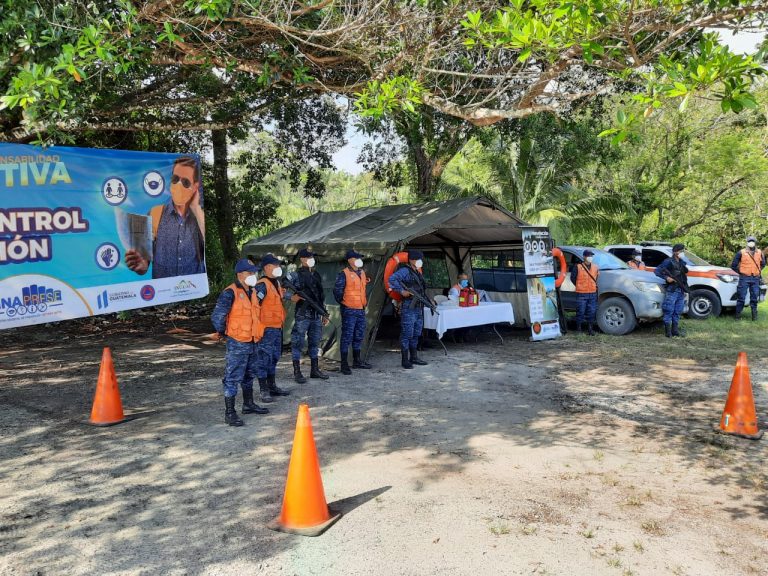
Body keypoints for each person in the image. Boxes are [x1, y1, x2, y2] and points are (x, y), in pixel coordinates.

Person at [210, 258, 269, 427]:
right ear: (240, 274)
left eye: (254, 272)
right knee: (232, 377)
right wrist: (223, 332)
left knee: (249, 374)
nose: (254, 275)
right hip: (238, 342)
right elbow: (217, 316)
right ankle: (230, 413)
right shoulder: (230, 292)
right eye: (250, 272)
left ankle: (248, 404)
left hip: (253, 341)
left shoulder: (253, 292)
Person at [125, 156, 206, 279]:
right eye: (175, 179)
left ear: (195, 187)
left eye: (185, 182)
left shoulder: (200, 217)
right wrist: (141, 265)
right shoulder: (154, 213)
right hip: (164, 294)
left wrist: (196, 208)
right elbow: (144, 265)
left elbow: (205, 251)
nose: (178, 185)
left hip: (194, 294)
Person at [287, 248, 330, 382]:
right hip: (302, 315)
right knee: (298, 343)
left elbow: (319, 296)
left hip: (316, 315)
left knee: (315, 342)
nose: (311, 259)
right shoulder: (295, 275)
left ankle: (314, 370)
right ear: (302, 259)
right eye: (308, 257)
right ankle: (297, 372)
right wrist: (291, 296)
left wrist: (324, 313)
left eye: (312, 257)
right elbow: (279, 288)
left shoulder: (316, 275)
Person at [254, 254, 291, 402]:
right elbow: (254, 306)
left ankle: (272, 386)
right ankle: (264, 390)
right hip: (266, 329)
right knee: (263, 359)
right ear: (267, 267)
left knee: (274, 357)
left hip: (276, 328)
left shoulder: (276, 283)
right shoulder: (262, 284)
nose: (278, 268)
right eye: (276, 265)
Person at [388, 249, 430, 369]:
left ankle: (414, 357)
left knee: (416, 333)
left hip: (418, 307)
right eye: (418, 259)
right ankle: (405, 360)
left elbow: (421, 289)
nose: (420, 261)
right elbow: (391, 280)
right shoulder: (405, 271)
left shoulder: (417, 272)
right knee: (407, 333)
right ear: (411, 260)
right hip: (409, 307)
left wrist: (428, 299)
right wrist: (402, 291)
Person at [333, 249, 372, 375]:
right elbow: (337, 291)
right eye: (356, 258)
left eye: (359, 258)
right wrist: (345, 303)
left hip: (360, 309)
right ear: (350, 260)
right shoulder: (343, 274)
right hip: (349, 309)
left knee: (359, 335)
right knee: (347, 337)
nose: (359, 260)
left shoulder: (362, 273)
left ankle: (357, 361)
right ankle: (344, 364)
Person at [654, 243, 689, 337]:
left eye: (683, 250)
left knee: (678, 311)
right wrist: (666, 278)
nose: (683, 252)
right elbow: (657, 271)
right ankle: (668, 332)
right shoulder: (668, 261)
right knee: (669, 310)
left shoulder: (681, 262)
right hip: (672, 289)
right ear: (675, 252)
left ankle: (675, 331)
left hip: (681, 289)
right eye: (681, 251)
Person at [731, 235, 765, 321]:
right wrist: (741, 272)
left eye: (753, 241)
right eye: (750, 241)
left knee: (754, 298)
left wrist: (758, 271)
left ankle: (754, 317)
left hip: (755, 278)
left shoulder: (760, 252)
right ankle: (737, 316)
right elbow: (733, 265)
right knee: (741, 297)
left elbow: (763, 264)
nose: (751, 242)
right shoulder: (741, 252)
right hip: (744, 278)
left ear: (755, 242)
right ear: (747, 242)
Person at [570, 249, 599, 335]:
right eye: (589, 256)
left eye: (591, 256)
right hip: (581, 293)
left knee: (592, 311)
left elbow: (596, 277)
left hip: (592, 293)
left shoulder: (595, 267)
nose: (590, 257)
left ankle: (590, 330)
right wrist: (579, 285)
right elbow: (573, 278)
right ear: (584, 257)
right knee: (580, 311)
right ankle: (579, 330)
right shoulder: (578, 266)